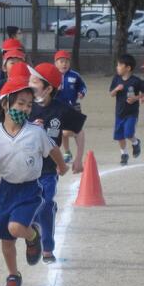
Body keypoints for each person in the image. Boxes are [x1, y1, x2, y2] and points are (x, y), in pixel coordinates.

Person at [0, 76, 68, 286]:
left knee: (15, 228)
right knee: (6, 240)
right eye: (20, 103)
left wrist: (61, 166)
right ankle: (13, 274)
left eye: (29, 105)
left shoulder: (35, 132)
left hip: (29, 189)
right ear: (5, 104)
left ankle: (33, 236)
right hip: (6, 191)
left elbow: (52, 149)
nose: (25, 109)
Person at [28, 62, 86, 263]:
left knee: (44, 204)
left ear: (48, 88)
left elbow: (79, 131)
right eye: (30, 79)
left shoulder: (61, 109)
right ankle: (33, 233)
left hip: (48, 170)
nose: (30, 84)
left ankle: (47, 248)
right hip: (25, 170)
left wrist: (78, 158)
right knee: (31, 207)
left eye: (35, 81)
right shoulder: (24, 105)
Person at [109, 53, 144, 165]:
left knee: (128, 133)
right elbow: (111, 94)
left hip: (131, 113)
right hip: (119, 113)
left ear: (128, 68)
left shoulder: (136, 81)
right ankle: (124, 154)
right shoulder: (116, 79)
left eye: (119, 65)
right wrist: (116, 89)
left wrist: (136, 98)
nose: (117, 67)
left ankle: (135, 143)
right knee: (120, 136)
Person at [54, 49, 87, 163]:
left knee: (70, 131)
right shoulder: (52, 75)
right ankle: (67, 152)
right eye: (61, 61)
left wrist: (81, 92)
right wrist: (55, 89)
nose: (64, 64)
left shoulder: (75, 75)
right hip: (57, 108)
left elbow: (83, 86)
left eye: (67, 61)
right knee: (62, 131)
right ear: (55, 63)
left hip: (72, 107)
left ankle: (79, 154)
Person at [0, 49, 26, 129]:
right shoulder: (0, 85)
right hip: (0, 124)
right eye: (12, 63)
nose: (16, 66)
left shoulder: (28, 88)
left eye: (20, 63)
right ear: (4, 67)